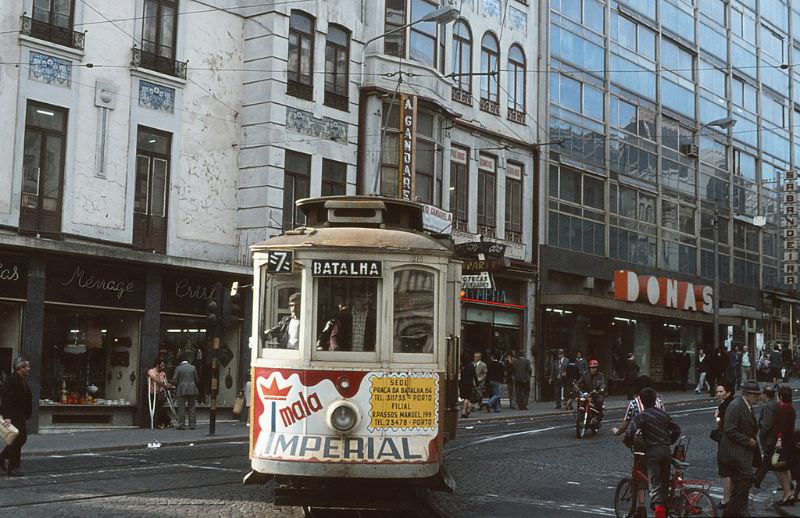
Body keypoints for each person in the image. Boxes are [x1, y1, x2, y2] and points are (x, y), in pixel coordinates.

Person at [612, 376, 665, 518]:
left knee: (640, 471)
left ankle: (641, 507)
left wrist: (618, 432)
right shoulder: (659, 401)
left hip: (642, 442)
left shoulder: (634, 403)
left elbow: (626, 423)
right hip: (660, 441)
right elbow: (664, 418)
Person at [623, 387, 681, 518]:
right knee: (664, 484)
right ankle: (664, 511)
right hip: (666, 451)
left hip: (652, 452)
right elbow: (677, 429)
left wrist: (627, 442)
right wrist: (670, 441)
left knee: (655, 486)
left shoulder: (642, 416)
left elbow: (630, 432)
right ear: (655, 400)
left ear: (642, 402)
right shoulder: (663, 414)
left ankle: (659, 513)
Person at [719, 379, 762, 517]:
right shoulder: (736, 406)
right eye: (755, 395)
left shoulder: (747, 405)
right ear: (747, 394)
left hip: (743, 454)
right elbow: (729, 430)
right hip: (735, 453)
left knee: (742, 485)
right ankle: (738, 511)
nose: (757, 397)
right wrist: (747, 440)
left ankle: (734, 512)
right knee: (744, 482)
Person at [0, 357, 32, 476]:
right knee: (18, 440)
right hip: (13, 415)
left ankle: (3, 458)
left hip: (20, 415)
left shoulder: (22, 380)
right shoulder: (12, 380)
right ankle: (13, 467)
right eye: (27, 366)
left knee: (19, 439)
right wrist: (7, 416)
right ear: (20, 368)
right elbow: (6, 399)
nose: (29, 369)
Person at [712, 380, 735, 510]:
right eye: (717, 391)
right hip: (730, 442)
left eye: (721, 391)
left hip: (725, 442)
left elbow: (721, 424)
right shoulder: (729, 403)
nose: (718, 394)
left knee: (725, 471)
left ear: (728, 392)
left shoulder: (725, 406)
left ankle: (726, 499)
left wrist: (718, 417)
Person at [772, 385, 796, 506]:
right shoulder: (790, 408)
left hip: (784, 442)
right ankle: (789, 493)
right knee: (785, 468)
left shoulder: (784, 408)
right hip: (788, 441)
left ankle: (787, 494)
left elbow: (783, 426)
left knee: (779, 467)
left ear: (781, 396)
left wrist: (779, 439)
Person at [753, 386, 779, 492]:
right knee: (770, 461)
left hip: (770, 438)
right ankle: (757, 478)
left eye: (762, 394)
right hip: (774, 437)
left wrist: (761, 434)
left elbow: (766, 424)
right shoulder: (776, 404)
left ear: (766, 395)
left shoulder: (769, 406)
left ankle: (756, 478)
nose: (760, 396)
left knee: (768, 460)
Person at [172, 356, 199, 430]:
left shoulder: (178, 368)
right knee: (192, 406)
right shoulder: (193, 367)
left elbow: (175, 379)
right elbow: (196, 379)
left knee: (181, 407)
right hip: (192, 388)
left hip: (181, 389)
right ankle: (192, 425)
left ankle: (181, 424)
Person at [147, 359, 173, 429]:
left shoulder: (162, 373)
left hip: (160, 394)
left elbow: (165, 382)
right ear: (157, 365)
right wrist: (164, 385)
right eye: (162, 365)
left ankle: (162, 422)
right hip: (152, 393)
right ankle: (167, 421)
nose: (163, 367)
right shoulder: (151, 371)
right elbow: (155, 379)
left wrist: (168, 386)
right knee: (158, 408)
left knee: (159, 408)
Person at [460, 353, 477, 418]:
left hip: (462, 383)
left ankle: (465, 410)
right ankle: (465, 410)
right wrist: (477, 382)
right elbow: (474, 375)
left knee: (465, 397)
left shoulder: (462, 366)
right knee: (468, 397)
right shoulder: (471, 365)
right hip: (469, 383)